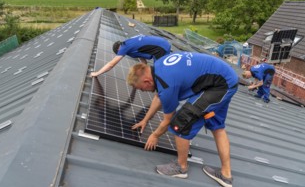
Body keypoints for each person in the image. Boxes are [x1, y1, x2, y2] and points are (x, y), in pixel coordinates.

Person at [128, 52, 238, 187]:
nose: (142, 91)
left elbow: (168, 119)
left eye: (141, 89)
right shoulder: (158, 67)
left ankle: (181, 167)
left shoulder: (166, 84)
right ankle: (225, 175)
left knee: (180, 122)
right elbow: (159, 97)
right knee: (217, 127)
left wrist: (155, 135)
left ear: (147, 81)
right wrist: (145, 120)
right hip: (224, 78)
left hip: (219, 85)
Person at [90, 35, 171, 77]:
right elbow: (144, 61)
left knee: (160, 74)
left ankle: (165, 94)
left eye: (119, 53)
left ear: (118, 50)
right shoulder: (130, 43)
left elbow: (111, 64)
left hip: (160, 48)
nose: (121, 54)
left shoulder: (124, 47)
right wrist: (142, 73)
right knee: (166, 69)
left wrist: (97, 73)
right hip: (163, 44)